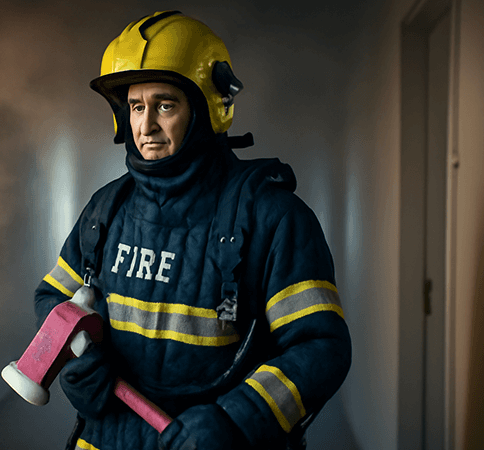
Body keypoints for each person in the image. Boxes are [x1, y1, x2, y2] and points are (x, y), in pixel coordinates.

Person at [33, 11, 352, 450]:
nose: (145, 127)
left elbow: (320, 346)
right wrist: (76, 362)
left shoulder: (274, 218)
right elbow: (55, 301)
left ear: (206, 109)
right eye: (135, 107)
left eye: (165, 105)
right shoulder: (106, 209)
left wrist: (237, 419)